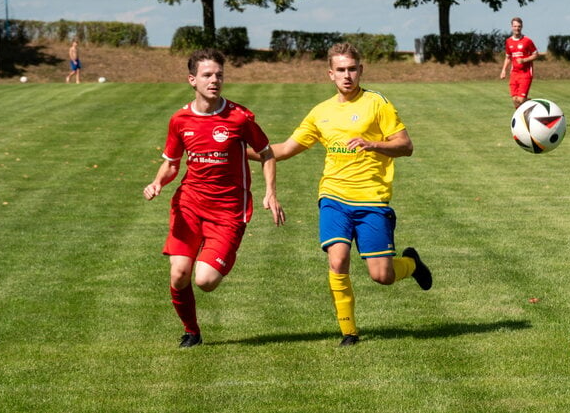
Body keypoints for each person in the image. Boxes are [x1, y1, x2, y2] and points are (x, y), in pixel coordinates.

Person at [250, 42, 432, 347]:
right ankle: (349, 333)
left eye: (352, 69)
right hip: (333, 197)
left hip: (372, 199)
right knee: (338, 259)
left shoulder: (377, 104)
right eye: (340, 70)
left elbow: (406, 145)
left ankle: (411, 264)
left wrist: (373, 144)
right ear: (330, 74)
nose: (347, 75)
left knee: (382, 276)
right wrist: (237, 152)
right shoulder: (320, 113)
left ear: (360, 70)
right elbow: (282, 150)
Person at [143, 48, 285, 348]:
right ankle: (191, 331)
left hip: (228, 211)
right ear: (192, 80)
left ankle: (220, 253)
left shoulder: (238, 117)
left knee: (205, 281)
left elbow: (267, 153)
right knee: (179, 273)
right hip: (189, 204)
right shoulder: (180, 120)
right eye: (207, 75)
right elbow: (171, 163)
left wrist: (270, 191)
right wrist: (157, 182)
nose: (215, 80)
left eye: (219, 75)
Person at [499, 17, 538, 109]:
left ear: (522, 27)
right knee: (515, 100)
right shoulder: (508, 41)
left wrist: (524, 60)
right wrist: (503, 70)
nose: (517, 28)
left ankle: (530, 104)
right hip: (514, 73)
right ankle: (526, 110)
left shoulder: (527, 41)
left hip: (526, 73)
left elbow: (536, 54)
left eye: (519, 26)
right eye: (515, 26)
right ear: (512, 27)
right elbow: (508, 57)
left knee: (520, 100)